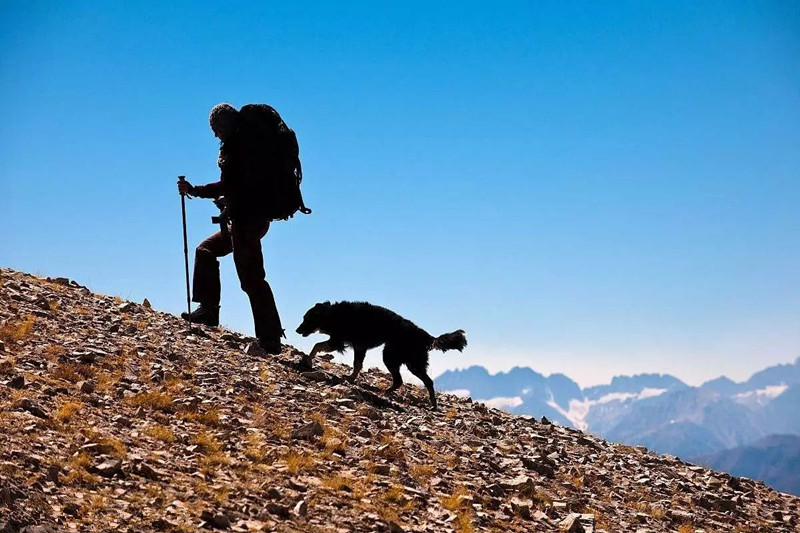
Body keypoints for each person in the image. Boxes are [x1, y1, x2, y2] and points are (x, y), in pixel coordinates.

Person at [177, 103, 283, 354]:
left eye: (216, 129)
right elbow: (239, 187)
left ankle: (270, 340)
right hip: (246, 220)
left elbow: (227, 185)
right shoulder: (245, 147)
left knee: (252, 280)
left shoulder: (239, 149)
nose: (215, 135)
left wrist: (195, 190)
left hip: (247, 222)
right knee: (206, 250)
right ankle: (208, 311)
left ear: (224, 126)